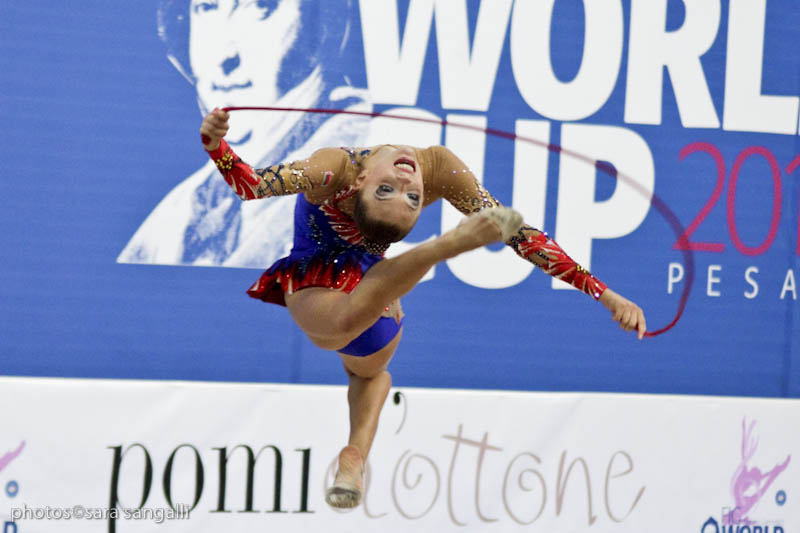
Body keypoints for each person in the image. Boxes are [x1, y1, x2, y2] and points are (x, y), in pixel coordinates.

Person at [200, 108, 647, 508]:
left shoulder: (421, 169)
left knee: (352, 341)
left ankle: (436, 254)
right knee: (368, 369)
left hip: (353, 284)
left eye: (411, 198)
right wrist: (216, 145)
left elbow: (522, 237)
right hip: (358, 282)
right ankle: (356, 450)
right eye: (395, 192)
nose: (409, 185)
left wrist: (603, 292)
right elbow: (253, 186)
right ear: (357, 185)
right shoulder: (333, 169)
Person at [118, 0, 369, 268]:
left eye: (262, 7)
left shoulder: (371, 160)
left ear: (320, 22)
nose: (225, 57)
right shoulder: (173, 217)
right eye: (208, 8)